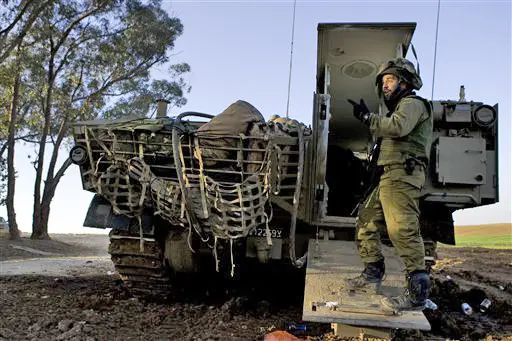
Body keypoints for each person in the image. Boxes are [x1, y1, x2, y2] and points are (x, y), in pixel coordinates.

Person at [346, 57, 433, 311]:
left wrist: (367, 118)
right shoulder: (399, 107)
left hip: (402, 176)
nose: (385, 85)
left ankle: (417, 294)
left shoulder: (412, 104)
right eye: (383, 81)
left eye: (390, 80)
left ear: (404, 83)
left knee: (402, 230)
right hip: (388, 177)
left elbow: (397, 127)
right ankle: (373, 272)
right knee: (366, 220)